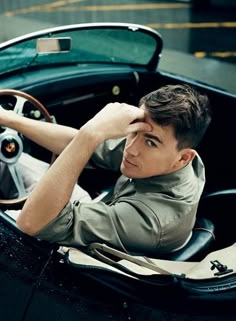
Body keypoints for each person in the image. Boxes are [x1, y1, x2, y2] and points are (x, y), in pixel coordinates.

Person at [0, 84, 211, 257]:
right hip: (97, 214)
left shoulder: (151, 222)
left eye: (151, 142)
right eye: (134, 132)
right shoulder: (172, 158)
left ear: (184, 158)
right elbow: (80, 144)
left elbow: (32, 222)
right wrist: (10, 119)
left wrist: (92, 132)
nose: (130, 149)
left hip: (75, 253)